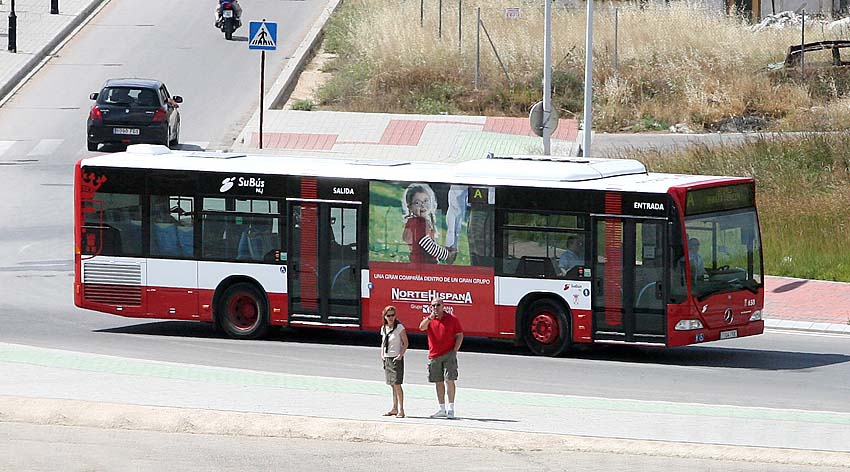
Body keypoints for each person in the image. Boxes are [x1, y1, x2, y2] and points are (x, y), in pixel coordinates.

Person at [419, 297, 463, 419]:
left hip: (449, 353)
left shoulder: (452, 319)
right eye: (433, 305)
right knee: (438, 382)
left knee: (450, 380)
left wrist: (455, 350)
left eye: (438, 305)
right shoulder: (429, 319)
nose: (435, 308)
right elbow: (421, 327)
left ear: (443, 306)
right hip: (434, 355)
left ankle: (451, 408)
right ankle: (442, 408)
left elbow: (459, 335)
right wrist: (430, 318)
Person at [402, 183, 457, 264]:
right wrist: (447, 255)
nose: (422, 205)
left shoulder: (414, 221)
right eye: (417, 203)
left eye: (425, 201)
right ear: (410, 206)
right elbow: (427, 245)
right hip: (424, 264)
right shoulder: (418, 223)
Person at [380, 305, 408, 418]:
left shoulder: (399, 327)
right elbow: (383, 343)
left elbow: (405, 343)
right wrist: (382, 354)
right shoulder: (384, 328)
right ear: (385, 316)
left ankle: (401, 409)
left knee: (397, 384)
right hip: (387, 358)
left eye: (393, 315)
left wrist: (400, 355)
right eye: (388, 315)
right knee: (392, 385)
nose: (391, 318)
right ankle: (394, 408)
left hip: (396, 358)